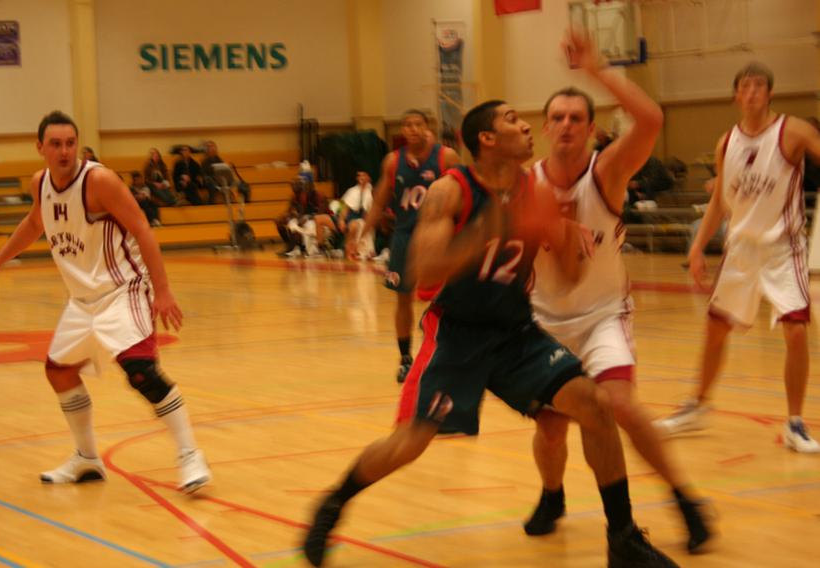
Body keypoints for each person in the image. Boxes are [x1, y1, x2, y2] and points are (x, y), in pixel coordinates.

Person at [303, 100, 678, 568]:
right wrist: (488, 228)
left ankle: (622, 538)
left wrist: (567, 242)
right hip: (457, 334)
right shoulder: (450, 190)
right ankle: (333, 505)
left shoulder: (535, 193)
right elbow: (425, 270)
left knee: (595, 405)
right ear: (486, 139)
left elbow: (567, 274)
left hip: (515, 331)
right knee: (413, 441)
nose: (526, 126)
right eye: (512, 120)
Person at [526, 29, 711, 553]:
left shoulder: (606, 172)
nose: (565, 125)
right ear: (545, 126)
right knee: (552, 430)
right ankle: (552, 493)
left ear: (591, 130)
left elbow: (651, 120)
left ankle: (683, 498)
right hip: (543, 322)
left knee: (621, 407)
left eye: (576, 118)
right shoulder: (525, 184)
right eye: (557, 117)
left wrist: (596, 69)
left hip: (604, 313)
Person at [0, 111, 212, 490]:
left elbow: (142, 228)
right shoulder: (40, 184)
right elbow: (35, 222)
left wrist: (162, 290)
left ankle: (189, 455)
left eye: (70, 143)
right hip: (82, 299)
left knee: (141, 372)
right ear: (40, 148)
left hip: (122, 288)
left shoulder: (98, 181)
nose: (65, 151)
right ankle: (86, 458)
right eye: (56, 144)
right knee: (59, 371)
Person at [656, 62, 820, 453]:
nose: (752, 92)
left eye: (759, 86)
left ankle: (795, 423)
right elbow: (719, 201)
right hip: (741, 250)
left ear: (769, 94)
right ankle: (696, 405)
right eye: (745, 86)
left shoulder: (793, 130)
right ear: (736, 95)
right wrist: (696, 248)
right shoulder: (726, 142)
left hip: (783, 248)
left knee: (796, 331)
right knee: (715, 331)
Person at [346, 110, 460, 383]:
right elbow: (378, 203)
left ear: (427, 127)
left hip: (439, 236)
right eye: (407, 125)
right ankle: (405, 358)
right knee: (402, 297)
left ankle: (447, 354)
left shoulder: (446, 157)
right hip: (405, 235)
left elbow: (463, 191)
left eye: (417, 124)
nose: (412, 129)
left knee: (448, 297)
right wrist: (361, 233)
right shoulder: (392, 162)